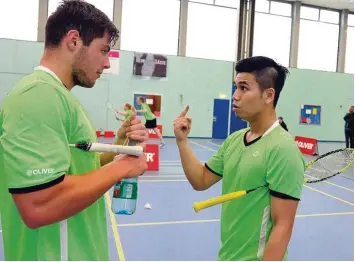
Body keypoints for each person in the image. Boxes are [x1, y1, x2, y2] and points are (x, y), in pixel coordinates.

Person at [0, 1, 148, 261]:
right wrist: (122, 168)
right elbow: (38, 204)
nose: (106, 63)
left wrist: (118, 146)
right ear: (73, 40)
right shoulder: (39, 95)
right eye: (103, 51)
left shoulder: (61, 96)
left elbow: (78, 167)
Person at [173, 56, 305, 261]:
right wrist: (182, 141)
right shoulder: (234, 140)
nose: (235, 96)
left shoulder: (283, 148)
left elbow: (283, 225)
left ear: (268, 95)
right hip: (227, 256)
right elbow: (200, 180)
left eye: (244, 88)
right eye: (235, 87)